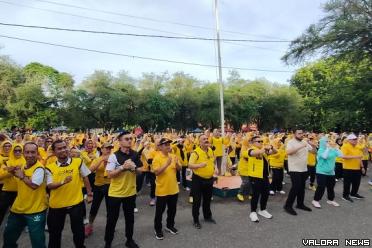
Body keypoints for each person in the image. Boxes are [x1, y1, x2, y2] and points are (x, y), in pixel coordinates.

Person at [45, 140, 93, 248]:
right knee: (55, 234)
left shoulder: (78, 162)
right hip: (56, 205)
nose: (63, 150)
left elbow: (85, 177)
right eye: (59, 148)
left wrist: (89, 193)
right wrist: (63, 182)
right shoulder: (49, 167)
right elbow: (49, 185)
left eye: (64, 147)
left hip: (76, 203)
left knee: (78, 232)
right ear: (54, 151)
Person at [3, 142, 47, 248]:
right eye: (27, 152)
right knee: (8, 237)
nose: (30, 155)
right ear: (23, 153)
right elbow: (19, 179)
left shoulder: (39, 168)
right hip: (18, 209)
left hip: (36, 210)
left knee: (38, 242)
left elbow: (34, 185)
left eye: (33, 152)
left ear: (37, 153)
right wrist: (12, 171)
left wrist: (22, 176)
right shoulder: (22, 166)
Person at [104, 131, 142, 248]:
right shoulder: (113, 156)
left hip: (130, 192)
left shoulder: (135, 154)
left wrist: (134, 168)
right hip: (116, 193)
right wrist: (123, 167)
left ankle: (129, 240)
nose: (130, 140)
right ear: (119, 141)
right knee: (112, 220)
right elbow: (109, 175)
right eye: (126, 139)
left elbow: (140, 172)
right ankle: (108, 242)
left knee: (130, 219)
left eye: (131, 138)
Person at [152, 138, 181, 240]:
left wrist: (177, 164)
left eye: (169, 144)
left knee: (172, 210)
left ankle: (170, 225)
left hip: (173, 189)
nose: (168, 146)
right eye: (165, 144)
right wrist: (166, 164)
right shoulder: (157, 158)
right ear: (160, 147)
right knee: (160, 211)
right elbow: (156, 172)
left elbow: (179, 169)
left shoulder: (173, 156)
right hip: (162, 190)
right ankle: (158, 229)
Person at [284, 130, 316, 216]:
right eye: (299, 133)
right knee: (295, 187)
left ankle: (300, 204)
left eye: (302, 133)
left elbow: (313, 152)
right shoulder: (291, 142)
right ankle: (288, 206)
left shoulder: (304, 142)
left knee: (301, 187)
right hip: (294, 168)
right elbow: (288, 152)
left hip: (303, 168)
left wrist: (313, 146)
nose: (301, 135)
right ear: (294, 134)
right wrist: (301, 146)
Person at [84, 142, 113, 237]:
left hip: (111, 186)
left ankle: (110, 226)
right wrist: (101, 160)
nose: (108, 150)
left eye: (110, 148)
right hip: (98, 186)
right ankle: (90, 225)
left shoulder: (113, 158)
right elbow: (90, 170)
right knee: (94, 207)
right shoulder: (97, 158)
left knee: (111, 208)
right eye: (106, 148)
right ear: (102, 149)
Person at [188, 134, 217, 229]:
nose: (206, 140)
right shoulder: (195, 153)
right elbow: (190, 165)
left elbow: (212, 161)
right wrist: (200, 165)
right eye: (203, 139)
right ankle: (196, 220)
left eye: (207, 138)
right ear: (199, 142)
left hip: (209, 179)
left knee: (207, 200)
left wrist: (215, 168)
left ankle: (207, 216)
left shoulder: (211, 150)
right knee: (197, 201)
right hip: (198, 180)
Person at [248, 136, 277, 222]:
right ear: (253, 143)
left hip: (265, 176)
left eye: (261, 141)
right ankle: (253, 212)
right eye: (258, 141)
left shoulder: (264, 151)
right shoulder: (250, 150)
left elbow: (275, 152)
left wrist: (271, 147)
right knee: (255, 195)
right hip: (254, 176)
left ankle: (262, 210)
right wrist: (264, 148)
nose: (261, 142)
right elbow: (254, 153)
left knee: (265, 193)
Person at [311, 137, 342, 208]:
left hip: (331, 172)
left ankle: (330, 200)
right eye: (326, 141)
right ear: (322, 143)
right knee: (321, 187)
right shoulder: (320, 150)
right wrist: (328, 148)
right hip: (321, 171)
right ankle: (315, 200)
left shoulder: (332, 149)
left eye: (329, 141)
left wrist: (337, 148)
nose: (328, 142)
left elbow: (341, 155)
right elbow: (324, 156)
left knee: (331, 187)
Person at [0, 143, 24, 225]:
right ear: (12, 151)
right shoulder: (7, 161)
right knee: (1, 210)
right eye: (15, 150)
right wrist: (10, 172)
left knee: (18, 211)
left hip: (20, 191)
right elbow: (0, 176)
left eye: (19, 150)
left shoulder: (26, 161)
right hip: (7, 190)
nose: (17, 152)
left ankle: (17, 225)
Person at [341, 134, 365, 202]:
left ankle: (353, 194)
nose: (356, 140)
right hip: (348, 168)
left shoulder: (357, 147)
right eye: (354, 139)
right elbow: (343, 156)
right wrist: (355, 157)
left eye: (356, 139)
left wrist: (362, 167)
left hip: (357, 168)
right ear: (349, 140)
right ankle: (345, 196)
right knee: (347, 183)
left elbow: (360, 157)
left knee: (357, 182)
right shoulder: (345, 146)